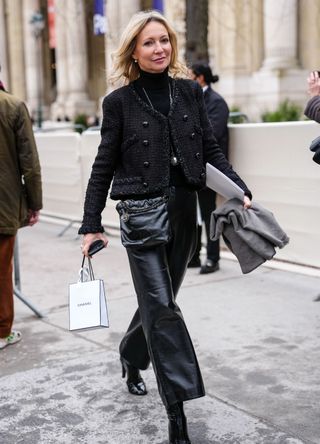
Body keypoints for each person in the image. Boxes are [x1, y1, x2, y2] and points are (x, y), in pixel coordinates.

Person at [79, 10, 252, 444]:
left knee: (162, 302)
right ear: (133, 53)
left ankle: (129, 352)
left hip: (183, 213)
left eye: (164, 41)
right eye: (149, 43)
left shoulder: (188, 93)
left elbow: (210, 148)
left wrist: (239, 189)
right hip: (140, 217)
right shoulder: (118, 102)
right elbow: (102, 166)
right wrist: (89, 224)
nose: (160, 49)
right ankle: (177, 413)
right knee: (162, 307)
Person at [0, 68, 42, 350]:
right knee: (2, 270)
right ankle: (2, 332)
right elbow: (30, 162)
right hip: (3, 203)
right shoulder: (12, 106)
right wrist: (34, 203)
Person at [188, 63, 229, 274]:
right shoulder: (192, 100)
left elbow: (211, 135)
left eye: (191, 77)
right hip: (190, 168)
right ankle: (194, 256)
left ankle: (213, 258)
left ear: (201, 79)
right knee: (192, 214)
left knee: (208, 214)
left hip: (208, 169)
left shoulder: (216, 102)